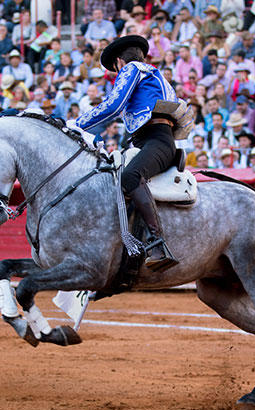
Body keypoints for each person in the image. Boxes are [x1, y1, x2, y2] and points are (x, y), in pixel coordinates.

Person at [76, 36, 183, 271]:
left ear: (119, 63)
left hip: (155, 140)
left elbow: (114, 105)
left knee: (130, 177)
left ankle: (157, 243)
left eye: (115, 71)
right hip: (153, 140)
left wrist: (76, 125)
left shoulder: (133, 69)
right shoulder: (155, 75)